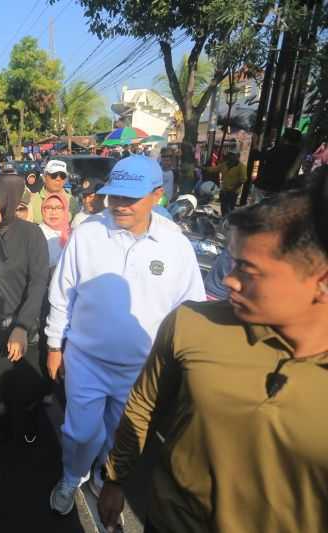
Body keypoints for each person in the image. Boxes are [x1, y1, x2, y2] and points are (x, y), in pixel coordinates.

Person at [98, 186, 328, 532]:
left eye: (249, 271)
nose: (230, 280)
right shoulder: (191, 323)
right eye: (232, 262)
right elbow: (143, 406)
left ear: (320, 281)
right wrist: (115, 479)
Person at [45, 155, 205, 516]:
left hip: (141, 369)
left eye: (130, 197)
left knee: (122, 435)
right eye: (114, 195)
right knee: (80, 432)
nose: (119, 204)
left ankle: (106, 474)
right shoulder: (88, 233)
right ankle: (73, 473)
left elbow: (191, 309)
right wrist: (55, 345)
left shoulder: (176, 245)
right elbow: (63, 293)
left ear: (157, 195)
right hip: (85, 359)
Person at [0, 174, 50, 451]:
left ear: (8, 202)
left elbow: (39, 281)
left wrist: (22, 325)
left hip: (26, 326)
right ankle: (0, 429)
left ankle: (30, 424)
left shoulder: (32, 234)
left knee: (27, 387)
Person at [253, 127, 303, 200]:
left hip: (265, 185)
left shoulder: (279, 149)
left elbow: (260, 157)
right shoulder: (298, 153)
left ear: (284, 138)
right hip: (280, 187)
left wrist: (254, 145)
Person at [203, 151, 247, 216]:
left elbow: (242, 180)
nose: (229, 158)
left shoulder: (241, 167)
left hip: (233, 192)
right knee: (223, 207)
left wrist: (233, 189)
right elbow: (214, 169)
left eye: (232, 156)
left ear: (236, 157)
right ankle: (224, 219)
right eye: (229, 156)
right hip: (224, 190)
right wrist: (204, 168)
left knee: (230, 208)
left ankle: (228, 220)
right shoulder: (224, 164)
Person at [38, 193, 71, 269]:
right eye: (49, 208)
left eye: (59, 208)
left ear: (65, 210)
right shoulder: (36, 234)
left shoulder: (71, 233)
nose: (53, 212)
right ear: (43, 210)